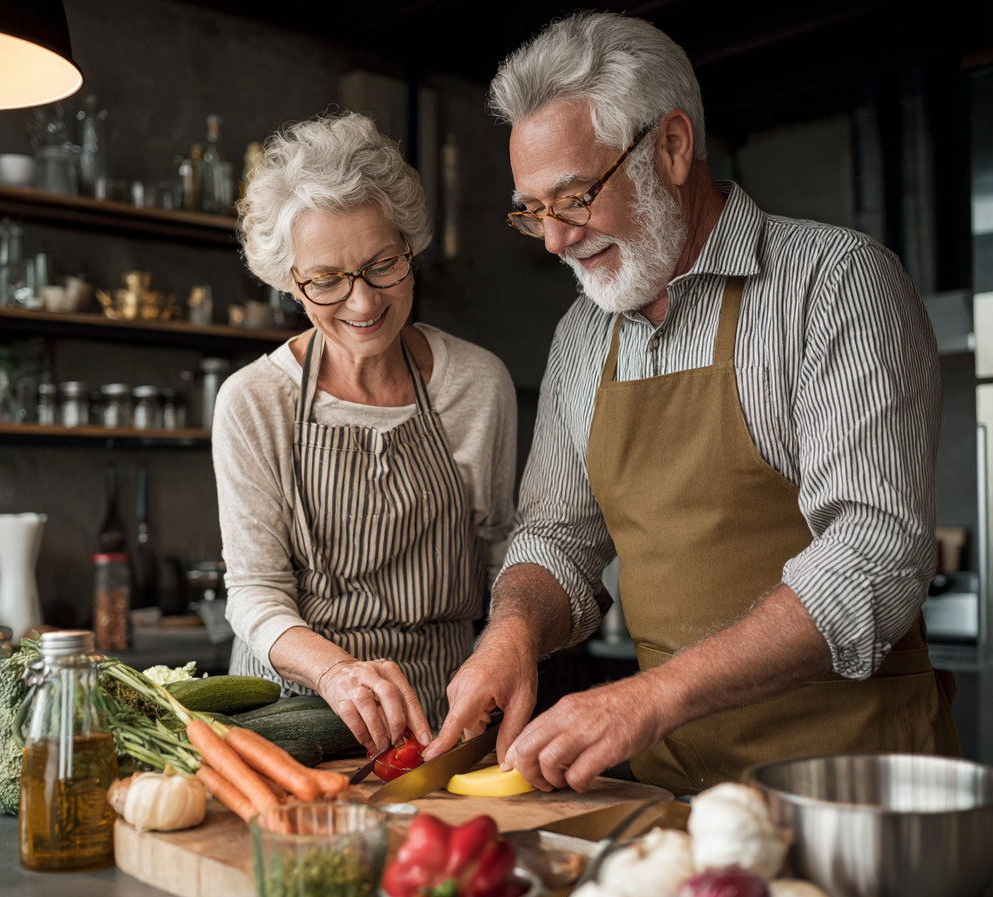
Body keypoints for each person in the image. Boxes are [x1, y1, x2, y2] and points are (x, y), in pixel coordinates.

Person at [426, 12, 959, 793]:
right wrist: (511, 630)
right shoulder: (581, 336)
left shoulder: (834, 284)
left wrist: (653, 696)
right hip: (671, 790)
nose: (553, 241)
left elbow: (874, 554)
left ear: (671, 147)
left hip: (851, 787)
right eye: (533, 210)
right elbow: (557, 536)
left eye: (574, 196)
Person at [214, 113, 516, 754]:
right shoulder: (254, 401)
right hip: (290, 721)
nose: (362, 302)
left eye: (383, 264)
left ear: (410, 246)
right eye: (326, 279)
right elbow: (254, 593)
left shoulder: (477, 384)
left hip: (438, 722)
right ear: (288, 280)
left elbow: (501, 558)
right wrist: (335, 672)